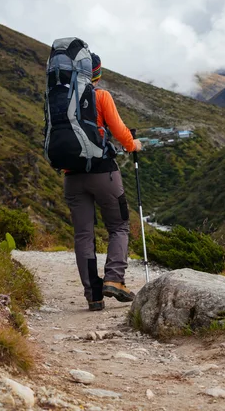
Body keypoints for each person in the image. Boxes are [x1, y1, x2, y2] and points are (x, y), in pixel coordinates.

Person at [64, 53, 142, 311]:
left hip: (72, 177)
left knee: (83, 235)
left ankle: (93, 295)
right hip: (104, 173)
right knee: (118, 226)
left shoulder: (59, 99)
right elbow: (120, 131)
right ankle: (114, 279)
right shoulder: (100, 96)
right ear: (95, 74)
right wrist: (133, 145)